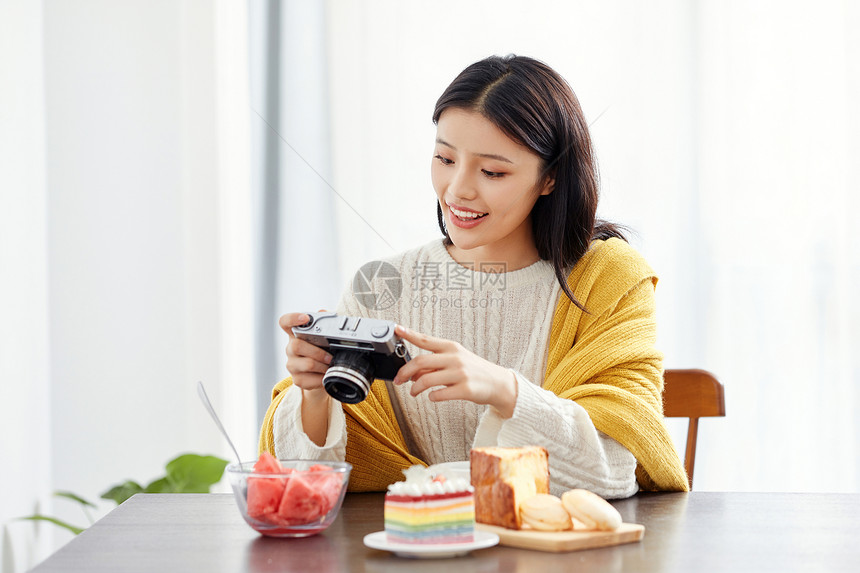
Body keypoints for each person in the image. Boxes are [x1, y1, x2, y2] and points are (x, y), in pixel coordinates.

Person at [259, 54, 689, 497]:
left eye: (492, 171)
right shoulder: (383, 283)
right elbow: (305, 481)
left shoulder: (608, 279)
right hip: (413, 546)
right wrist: (315, 394)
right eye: (445, 158)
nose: (458, 188)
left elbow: (613, 471)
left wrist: (504, 390)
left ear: (550, 178)